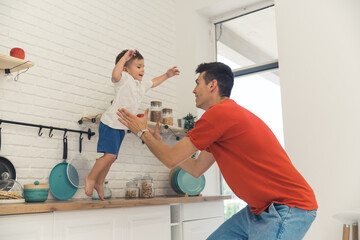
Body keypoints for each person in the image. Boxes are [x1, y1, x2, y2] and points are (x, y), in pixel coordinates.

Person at [117, 62, 318, 239]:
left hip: (287, 207)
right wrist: (155, 140)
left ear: (212, 85)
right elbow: (196, 168)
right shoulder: (224, 120)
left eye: (197, 83)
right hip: (259, 209)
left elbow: (170, 160)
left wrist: (141, 131)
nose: (194, 90)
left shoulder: (220, 114)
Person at [85, 49, 180, 200]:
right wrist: (123, 58)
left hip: (121, 126)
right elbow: (115, 74)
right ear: (126, 69)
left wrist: (167, 75)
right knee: (109, 156)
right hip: (110, 122)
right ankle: (91, 178)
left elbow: (154, 82)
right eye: (138, 66)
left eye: (143, 66)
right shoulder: (124, 79)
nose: (142, 69)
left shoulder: (140, 86)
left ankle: (100, 182)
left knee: (112, 157)